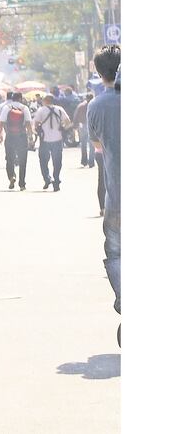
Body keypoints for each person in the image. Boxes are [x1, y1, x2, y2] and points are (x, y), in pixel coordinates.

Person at [87, 46, 120, 317]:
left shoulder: (96, 106)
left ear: (99, 73)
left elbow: (98, 144)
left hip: (118, 197)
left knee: (118, 251)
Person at [33, 94, 72, 191]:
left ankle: (47, 178)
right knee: (57, 161)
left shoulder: (41, 110)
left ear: (45, 101)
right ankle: (56, 179)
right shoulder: (59, 109)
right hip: (57, 139)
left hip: (45, 139)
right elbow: (67, 121)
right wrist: (63, 128)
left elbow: (36, 123)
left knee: (43, 161)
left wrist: (37, 131)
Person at [0, 91, 32, 190]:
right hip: (22, 136)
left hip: (10, 136)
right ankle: (22, 184)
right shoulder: (24, 108)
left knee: (9, 159)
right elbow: (28, 123)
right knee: (23, 160)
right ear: (20, 98)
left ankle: (11, 176)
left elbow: (1, 122)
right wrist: (30, 138)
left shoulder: (6, 108)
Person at [74, 92, 94, 167]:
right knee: (92, 145)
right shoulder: (95, 105)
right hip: (92, 126)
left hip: (82, 126)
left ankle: (84, 161)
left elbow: (76, 115)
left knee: (83, 144)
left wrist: (75, 125)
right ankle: (91, 162)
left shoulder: (81, 106)